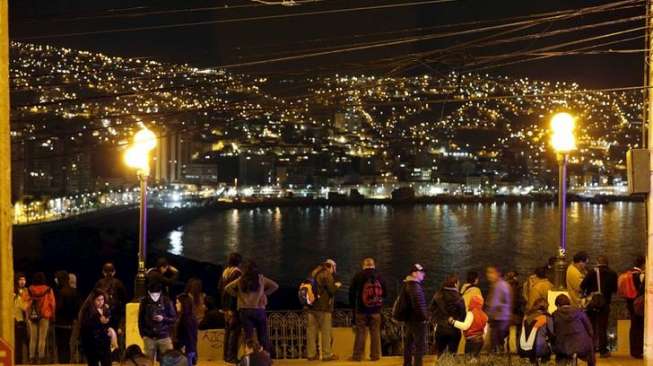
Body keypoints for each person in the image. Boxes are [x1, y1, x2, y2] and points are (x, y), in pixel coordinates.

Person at [225, 261, 278, 354]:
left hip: (244, 311)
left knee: (248, 337)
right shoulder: (261, 279)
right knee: (263, 336)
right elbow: (275, 286)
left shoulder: (240, 280)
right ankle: (265, 358)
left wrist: (237, 295)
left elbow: (227, 288)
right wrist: (264, 293)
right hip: (259, 310)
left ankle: (249, 358)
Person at [348, 257, 386, 361]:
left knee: (360, 332)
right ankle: (375, 356)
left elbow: (351, 293)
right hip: (376, 310)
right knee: (375, 333)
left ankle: (357, 356)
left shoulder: (358, 276)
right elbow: (385, 293)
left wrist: (353, 306)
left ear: (363, 265)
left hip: (361, 310)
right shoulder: (379, 276)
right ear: (374, 265)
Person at [580, 255, 617, 358]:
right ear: (607, 263)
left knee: (591, 326)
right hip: (605, 303)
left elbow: (582, 286)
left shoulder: (591, 272)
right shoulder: (613, 274)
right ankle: (603, 351)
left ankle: (590, 349)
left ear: (597, 262)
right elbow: (614, 289)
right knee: (603, 327)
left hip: (592, 303)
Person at [305, 259, 341, 361]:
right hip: (323, 308)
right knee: (325, 331)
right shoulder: (326, 274)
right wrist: (337, 286)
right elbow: (331, 290)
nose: (334, 271)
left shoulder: (313, 272)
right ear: (331, 267)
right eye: (334, 268)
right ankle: (327, 355)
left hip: (311, 306)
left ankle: (311, 354)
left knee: (311, 332)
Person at [138, 282, 177, 362]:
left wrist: (163, 319)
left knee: (168, 362)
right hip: (149, 337)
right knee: (148, 362)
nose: (155, 297)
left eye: (157, 294)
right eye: (152, 294)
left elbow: (173, 319)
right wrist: (143, 335)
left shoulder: (166, 301)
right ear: (148, 292)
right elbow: (140, 320)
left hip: (164, 336)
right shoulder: (144, 302)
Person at [552, 294, 595, 366]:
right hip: (581, 346)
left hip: (563, 347)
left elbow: (552, 332)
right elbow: (590, 329)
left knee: (560, 355)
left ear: (558, 305)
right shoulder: (579, 312)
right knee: (589, 342)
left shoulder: (554, 315)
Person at [430, 274, 465, 356]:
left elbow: (431, 309)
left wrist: (437, 319)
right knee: (452, 355)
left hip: (440, 329)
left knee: (439, 354)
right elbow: (463, 315)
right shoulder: (459, 297)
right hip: (454, 330)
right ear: (455, 284)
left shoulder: (438, 294)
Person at [217, 252, 243, 364]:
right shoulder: (237, 273)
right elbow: (234, 291)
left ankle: (225, 356)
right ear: (239, 262)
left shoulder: (225, 271)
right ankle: (231, 356)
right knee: (234, 331)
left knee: (228, 331)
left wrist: (224, 307)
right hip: (232, 306)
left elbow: (219, 287)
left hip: (225, 306)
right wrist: (233, 308)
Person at [401, 264, 428, 366]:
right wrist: (424, 317)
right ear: (414, 273)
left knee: (408, 343)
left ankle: (407, 363)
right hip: (417, 320)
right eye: (421, 272)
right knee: (419, 346)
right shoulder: (415, 287)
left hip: (409, 319)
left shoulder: (407, 284)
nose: (423, 274)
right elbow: (419, 305)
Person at [95, 262, 129, 341]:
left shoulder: (99, 283)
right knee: (115, 338)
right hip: (116, 316)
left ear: (103, 272)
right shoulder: (118, 283)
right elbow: (124, 299)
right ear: (114, 272)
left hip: (102, 315)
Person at [27, 272, 56, 364]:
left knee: (33, 338)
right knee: (42, 338)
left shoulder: (29, 289)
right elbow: (53, 304)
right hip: (45, 316)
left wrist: (27, 316)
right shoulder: (48, 289)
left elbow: (25, 304)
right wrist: (53, 316)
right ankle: (40, 358)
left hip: (32, 316)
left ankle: (31, 358)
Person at [79, 289, 113, 366]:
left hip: (104, 343)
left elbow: (109, 323)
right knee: (93, 363)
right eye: (98, 300)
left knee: (107, 362)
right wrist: (99, 321)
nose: (101, 302)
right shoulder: (87, 311)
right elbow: (86, 327)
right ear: (93, 300)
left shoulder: (105, 309)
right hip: (92, 344)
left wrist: (109, 328)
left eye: (102, 299)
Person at [54, 270, 81, 364]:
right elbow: (77, 306)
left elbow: (59, 307)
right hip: (70, 323)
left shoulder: (60, 292)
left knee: (61, 344)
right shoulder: (74, 291)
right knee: (67, 343)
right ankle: (67, 362)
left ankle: (62, 362)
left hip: (60, 323)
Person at [451, 295, 488, 360]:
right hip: (480, 341)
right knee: (475, 360)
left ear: (472, 302)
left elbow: (465, 326)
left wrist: (453, 322)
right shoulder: (484, 315)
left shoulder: (471, 313)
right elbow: (485, 331)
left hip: (471, 342)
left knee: (469, 361)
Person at [486, 266, 512, 353]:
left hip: (499, 319)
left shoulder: (499, 286)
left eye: (491, 273)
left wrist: (488, 314)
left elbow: (495, 304)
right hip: (502, 318)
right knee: (498, 342)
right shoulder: (503, 285)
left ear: (497, 274)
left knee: (495, 342)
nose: (489, 275)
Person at [518, 298, 553, 365]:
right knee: (547, 348)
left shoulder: (526, 316)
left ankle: (534, 361)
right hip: (539, 349)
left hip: (521, 348)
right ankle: (543, 362)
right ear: (546, 307)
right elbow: (552, 333)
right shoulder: (546, 317)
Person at [625, 256, 645, 359]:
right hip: (639, 304)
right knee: (640, 327)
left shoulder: (628, 274)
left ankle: (633, 351)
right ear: (643, 264)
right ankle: (639, 351)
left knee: (633, 327)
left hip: (630, 303)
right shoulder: (641, 275)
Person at [174, 293, 198, 366]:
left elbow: (190, 336)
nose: (176, 305)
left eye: (178, 302)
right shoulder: (187, 317)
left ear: (184, 304)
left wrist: (184, 348)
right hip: (187, 350)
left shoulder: (186, 319)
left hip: (186, 351)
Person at [14, 272, 30, 364]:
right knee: (19, 342)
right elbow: (23, 306)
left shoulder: (27, 291)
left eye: (24, 279)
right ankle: (19, 361)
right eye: (20, 279)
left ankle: (25, 360)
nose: (22, 281)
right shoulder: (14, 292)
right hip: (18, 319)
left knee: (26, 341)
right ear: (17, 281)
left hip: (25, 320)